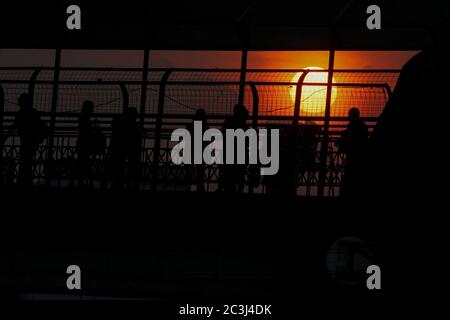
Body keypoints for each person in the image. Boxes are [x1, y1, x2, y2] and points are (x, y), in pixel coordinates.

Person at [13, 93, 48, 186]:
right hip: (32, 141)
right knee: (27, 162)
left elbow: (14, 125)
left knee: (24, 162)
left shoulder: (21, 113)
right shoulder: (33, 112)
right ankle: (27, 180)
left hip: (26, 141)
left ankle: (23, 181)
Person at [108, 108, 142, 190]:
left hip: (122, 149)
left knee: (121, 165)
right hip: (130, 149)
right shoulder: (133, 125)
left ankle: (119, 182)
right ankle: (130, 182)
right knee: (132, 165)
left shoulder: (121, 124)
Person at [338, 107, 369, 197]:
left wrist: (341, 140)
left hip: (354, 155)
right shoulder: (362, 125)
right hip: (360, 156)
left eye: (350, 115)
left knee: (350, 175)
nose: (349, 117)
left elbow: (349, 136)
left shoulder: (353, 126)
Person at [220, 104, 249, 193]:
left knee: (229, 180)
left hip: (228, 154)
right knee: (239, 178)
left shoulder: (228, 122)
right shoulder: (243, 125)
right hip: (239, 156)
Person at [185, 109, 209, 192]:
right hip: (200, 150)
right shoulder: (205, 126)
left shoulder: (191, 126)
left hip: (191, 150)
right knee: (200, 170)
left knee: (190, 169)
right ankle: (201, 186)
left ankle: (188, 185)